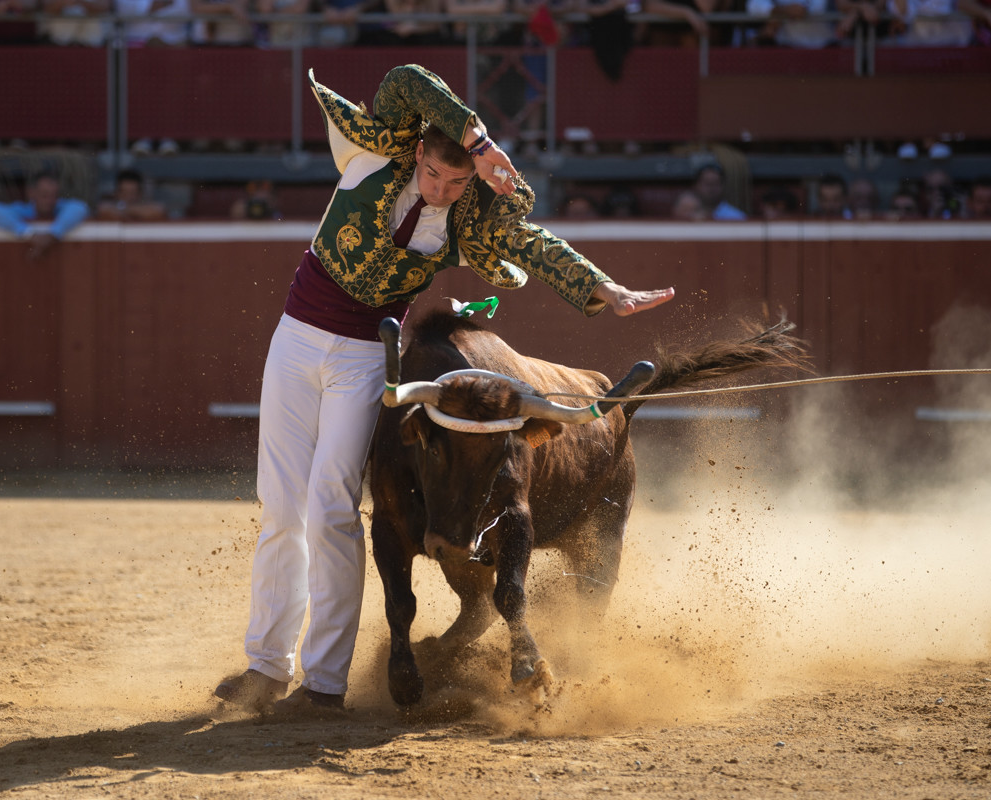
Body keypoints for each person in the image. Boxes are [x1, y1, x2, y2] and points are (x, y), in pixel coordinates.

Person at [213, 64, 675, 716]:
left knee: (332, 505)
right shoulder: (376, 151)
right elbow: (405, 79)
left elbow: (532, 242)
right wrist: (481, 143)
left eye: (459, 183)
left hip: (366, 358)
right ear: (418, 152)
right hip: (295, 339)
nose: (441, 189)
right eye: (435, 173)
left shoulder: (462, 220)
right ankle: (266, 667)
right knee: (281, 502)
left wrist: (605, 289)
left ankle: (322, 681)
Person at [0, 171, 90, 259]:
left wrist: (51, 236)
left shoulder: (60, 207)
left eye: (54, 196)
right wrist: (29, 234)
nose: (50, 201)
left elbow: (80, 208)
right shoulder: (22, 210)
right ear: (31, 193)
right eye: (45, 195)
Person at [675, 164, 747, 221]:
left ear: (724, 186)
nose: (711, 188)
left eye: (716, 183)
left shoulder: (736, 217)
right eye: (707, 183)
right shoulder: (687, 212)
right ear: (696, 185)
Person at [95, 169, 168, 221]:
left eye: (132, 193)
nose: (128, 197)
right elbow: (103, 210)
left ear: (140, 193)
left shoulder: (148, 207)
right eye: (124, 192)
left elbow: (159, 210)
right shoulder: (108, 206)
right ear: (116, 193)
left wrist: (124, 210)